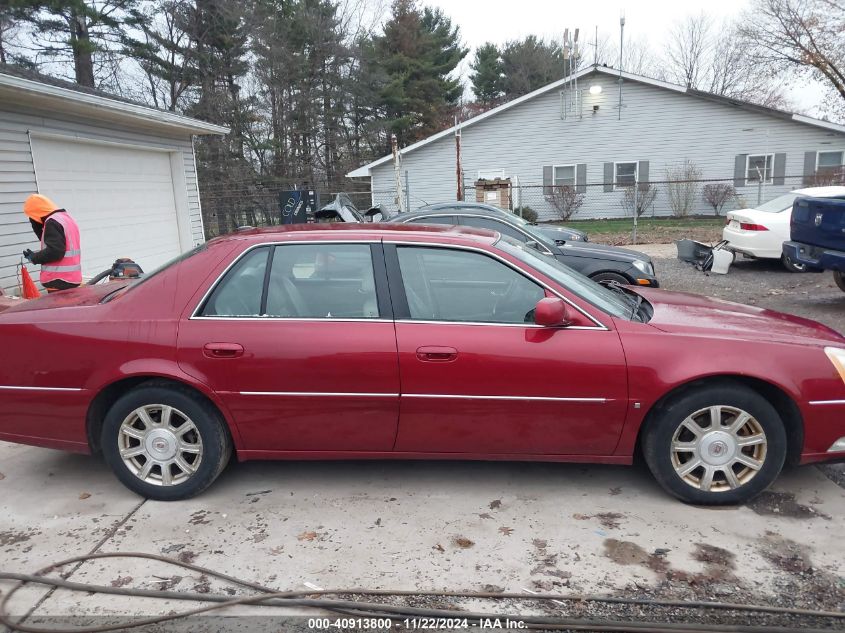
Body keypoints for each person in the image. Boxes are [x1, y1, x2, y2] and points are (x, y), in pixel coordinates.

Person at [21, 194, 82, 292]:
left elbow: (55, 252)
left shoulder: (52, 222)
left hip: (58, 280)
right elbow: (51, 241)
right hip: (71, 278)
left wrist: (34, 258)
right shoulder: (65, 218)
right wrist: (37, 226)